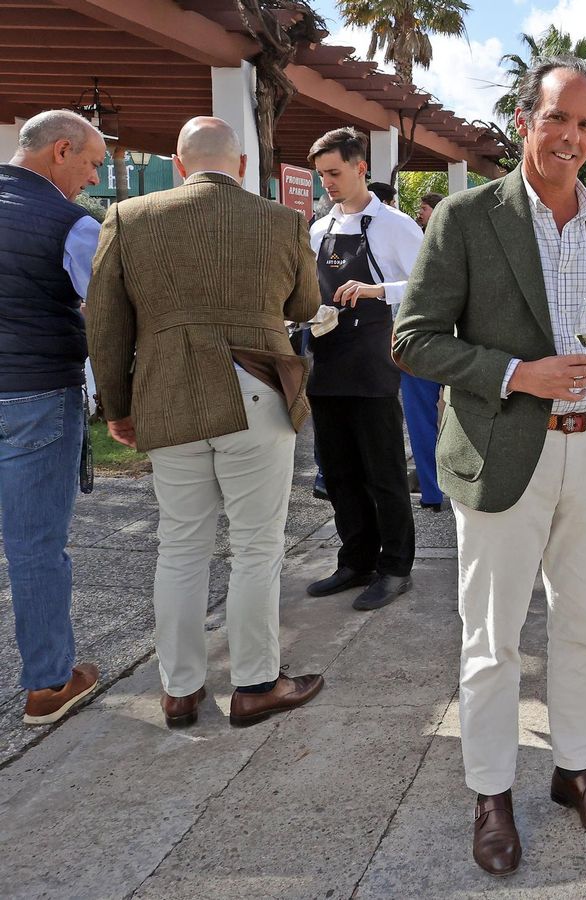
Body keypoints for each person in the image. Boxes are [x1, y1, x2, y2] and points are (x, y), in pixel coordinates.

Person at [393, 55, 586, 877]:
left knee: (584, 626)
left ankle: (575, 770)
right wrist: (517, 374)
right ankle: (492, 792)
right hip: (507, 449)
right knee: (492, 638)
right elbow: (414, 338)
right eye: (557, 120)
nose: (571, 137)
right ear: (523, 122)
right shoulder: (468, 218)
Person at [86, 116, 326, 728]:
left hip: (167, 396)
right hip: (256, 390)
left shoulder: (128, 217)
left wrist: (117, 407)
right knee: (255, 546)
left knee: (181, 546)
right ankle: (254, 683)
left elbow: (106, 324)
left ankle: (179, 689)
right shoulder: (282, 220)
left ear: (179, 160)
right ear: (240, 165)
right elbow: (304, 306)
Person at [0, 109, 105, 726]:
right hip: (34, 393)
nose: (93, 177)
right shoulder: (70, 224)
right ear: (61, 151)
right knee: (35, 545)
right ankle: (47, 682)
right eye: (91, 163)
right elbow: (107, 314)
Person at [304, 127, 423, 611]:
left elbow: (427, 285)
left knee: (384, 471)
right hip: (327, 359)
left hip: (374, 361)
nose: (327, 183)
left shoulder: (396, 225)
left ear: (360, 168)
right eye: (321, 176)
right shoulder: (318, 228)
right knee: (338, 471)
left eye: (334, 173)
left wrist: (377, 291)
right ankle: (355, 558)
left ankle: (395, 567)